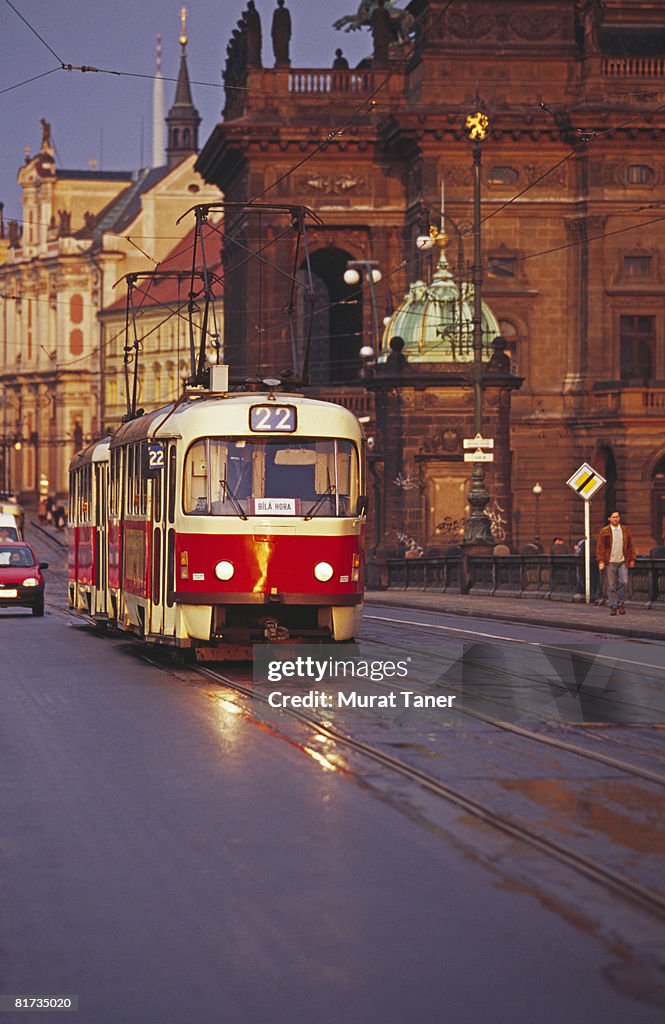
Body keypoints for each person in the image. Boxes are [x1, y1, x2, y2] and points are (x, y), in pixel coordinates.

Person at [596, 511, 635, 615]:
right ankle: (613, 606)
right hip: (610, 561)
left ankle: (620, 603)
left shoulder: (625, 530)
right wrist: (601, 561)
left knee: (624, 582)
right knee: (611, 586)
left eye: (617, 517)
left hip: (622, 560)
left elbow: (630, 545)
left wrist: (632, 559)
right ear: (609, 519)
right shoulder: (604, 531)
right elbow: (600, 547)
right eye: (613, 517)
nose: (615, 519)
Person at [271, 0, 291, 67]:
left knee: (284, 46)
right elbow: (274, 23)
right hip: (278, 32)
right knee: (278, 47)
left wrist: (289, 32)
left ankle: (284, 59)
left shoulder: (286, 11)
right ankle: (280, 59)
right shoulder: (276, 11)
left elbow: (289, 22)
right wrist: (272, 32)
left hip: (284, 31)